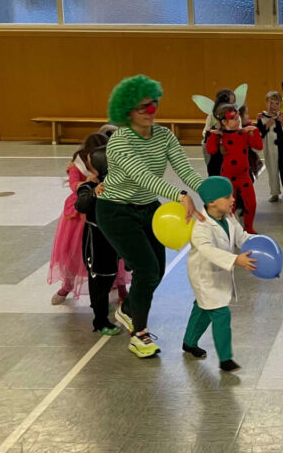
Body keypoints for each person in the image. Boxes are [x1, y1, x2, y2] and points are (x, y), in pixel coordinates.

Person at [96, 75, 205, 359]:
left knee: (156, 270)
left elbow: (185, 169)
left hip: (148, 208)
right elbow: (143, 177)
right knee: (146, 269)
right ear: (127, 111)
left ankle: (128, 309)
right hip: (116, 210)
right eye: (142, 107)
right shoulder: (119, 141)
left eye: (153, 104)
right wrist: (180, 195)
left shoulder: (164, 136)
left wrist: (211, 190)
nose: (150, 111)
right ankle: (139, 334)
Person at [182, 176, 257, 373]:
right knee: (220, 313)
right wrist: (236, 259)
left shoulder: (229, 217)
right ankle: (225, 359)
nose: (233, 199)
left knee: (202, 308)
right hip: (204, 275)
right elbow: (207, 250)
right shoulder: (201, 226)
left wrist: (258, 244)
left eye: (232, 195)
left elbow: (241, 237)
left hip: (218, 273)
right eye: (227, 197)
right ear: (211, 202)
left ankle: (189, 342)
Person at [49, 132, 108, 305]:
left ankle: (119, 288)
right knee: (73, 254)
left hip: (103, 212)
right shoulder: (78, 165)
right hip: (78, 216)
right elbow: (73, 183)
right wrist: (87, 183)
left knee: (110, 254)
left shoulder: (110, 161)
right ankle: (67, 285)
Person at [73, 146, 124, 335]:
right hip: (96, 242)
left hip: (114, 240)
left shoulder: (119, 185)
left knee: (110, 275)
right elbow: (81, 205)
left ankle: (100, 304)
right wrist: (94, 192)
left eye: (91, 166)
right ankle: (100, 321)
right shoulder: (88, 187)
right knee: (98, 280)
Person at [207, 103, 263, 234]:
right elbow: (211, 150)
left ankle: (248, 227)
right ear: (224, 122)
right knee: (229, 207)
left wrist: (254, 131)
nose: (238, 120)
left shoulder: (243, 134)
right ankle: (231, 230)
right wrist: (212, 136)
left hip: (244, 176)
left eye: (238, 117)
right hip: (228, 177)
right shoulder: (221, 136)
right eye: (234, 119)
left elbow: (258, 146)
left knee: (251, 204)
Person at [256, 91, 283, 202]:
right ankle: (274, 193)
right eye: (271, 103)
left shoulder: (281, 116)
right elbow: (259, 134)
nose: (274, 106)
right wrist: (266, 126)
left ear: (280, 105)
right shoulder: (262, 117)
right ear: (266, 103)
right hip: (269, 149)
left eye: (277, 103)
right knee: (272, 171)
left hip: (281, 149)